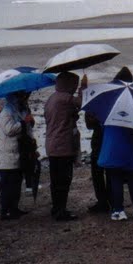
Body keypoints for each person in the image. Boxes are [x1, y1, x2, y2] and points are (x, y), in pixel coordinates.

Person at [98, 67, 133, 221]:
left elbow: (101, 123)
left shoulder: (109, 100)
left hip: (113, 148)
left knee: (115, 180)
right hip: (131, 148)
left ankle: (118, 211)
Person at [44, 70, 86, 221]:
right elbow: (82, 103)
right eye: (74, 84)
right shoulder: (65, 98)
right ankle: (61, 211)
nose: (75, 88)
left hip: (52, 144)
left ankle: (56, 208)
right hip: (63, 145)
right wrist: (84, 90)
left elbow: (61, 117)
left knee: (56, 181)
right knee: (63, 180)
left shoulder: (52, 98)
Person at [0, 91, 33, 220]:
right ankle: (5, 211)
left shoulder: (17, 110)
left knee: (16, 183)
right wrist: (24, 122)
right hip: (7, 154)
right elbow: (9, 130)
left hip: (16, 152)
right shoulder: (6, 112)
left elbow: (26, 129)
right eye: (21, 96)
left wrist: (29, 122)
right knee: (7, 185)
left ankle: (14, 208)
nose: (24, 98)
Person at [85, 110, 110, 214]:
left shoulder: (95, 103)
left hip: (100, 141)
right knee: (107, 173)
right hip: (110, 139)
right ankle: (110, 201)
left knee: (99, 173)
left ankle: (104, 202)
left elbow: (89, 125)